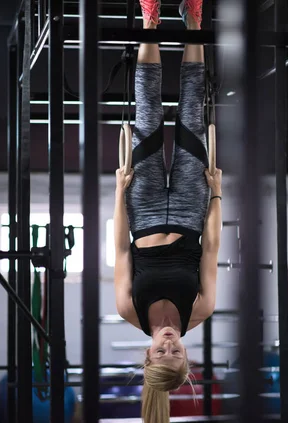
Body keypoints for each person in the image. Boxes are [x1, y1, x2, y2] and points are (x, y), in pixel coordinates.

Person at [113, 1, 222, 422]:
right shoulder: (200, 308)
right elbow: (210, 250)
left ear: (148, 353)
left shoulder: (129, 310)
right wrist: (216, 196)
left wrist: (119, 194)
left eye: (162, 351)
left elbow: (122, 251)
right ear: (186, 355)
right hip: (192, 209)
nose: (170, 343)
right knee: (192, 113)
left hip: (141, 209)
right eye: (176, 352)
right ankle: (194, 17)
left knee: (149, 111)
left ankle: (151, 18)